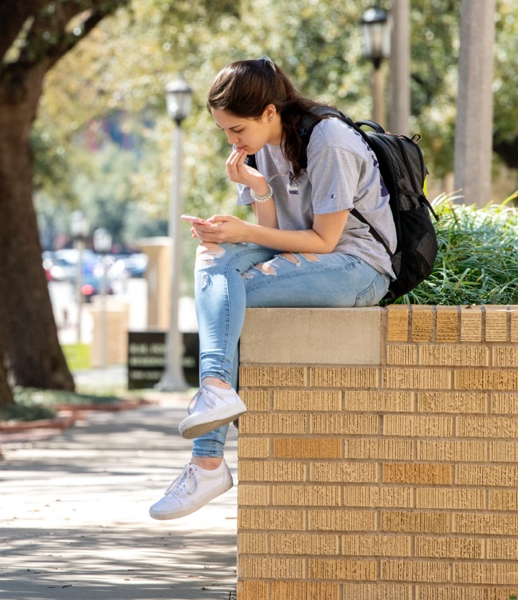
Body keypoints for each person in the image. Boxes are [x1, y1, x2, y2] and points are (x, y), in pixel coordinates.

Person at [149, 57, 396, 520]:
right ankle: (215, 391)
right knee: (211, 258)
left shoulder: (330, 141)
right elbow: (276, 235)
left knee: (228, 299)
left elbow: (323, 241)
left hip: (357, 268)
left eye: (236, 129)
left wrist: (244, 232)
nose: (232, 141)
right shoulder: (264, 145)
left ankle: (207, 458)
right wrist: (259, 193)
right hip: (312, 259)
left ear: (268, 111)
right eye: (225, 131)